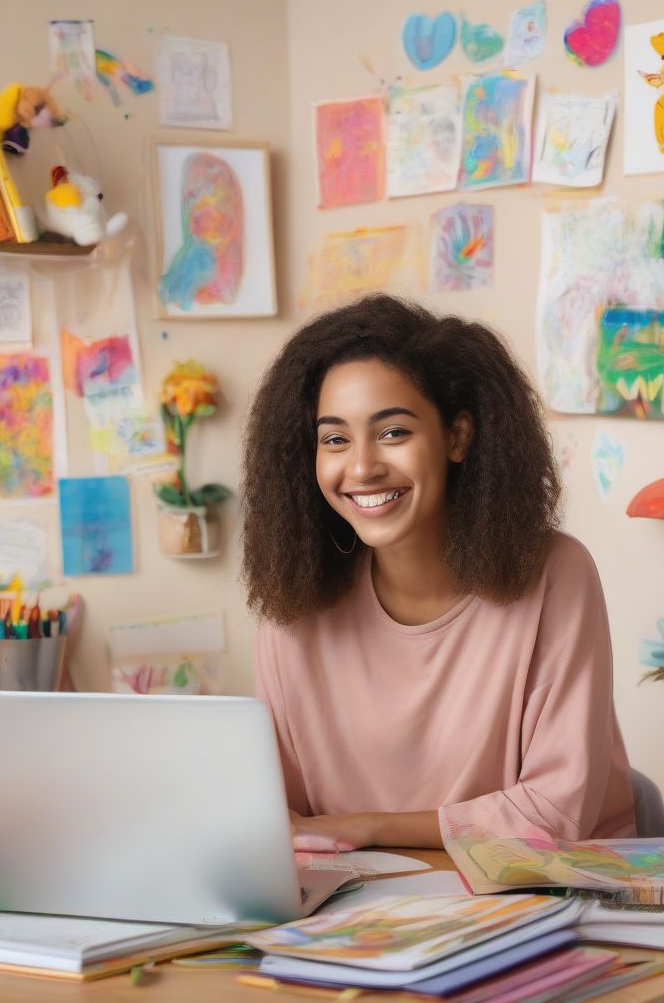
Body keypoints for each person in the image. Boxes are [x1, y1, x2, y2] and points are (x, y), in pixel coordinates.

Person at [240, 294, 635, 852]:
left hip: (544, 894)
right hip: (359, 914)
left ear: (458, 436)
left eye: (393, 432)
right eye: (334, 439)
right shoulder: (293, 604)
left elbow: (555, 812)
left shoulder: (555, 575)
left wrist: (365, 827)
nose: (361, 467)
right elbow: (276, 812)